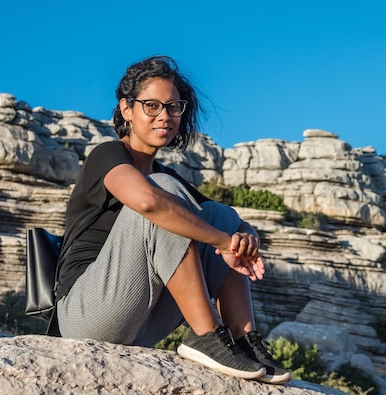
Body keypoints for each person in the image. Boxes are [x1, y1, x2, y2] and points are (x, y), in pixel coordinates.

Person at [54, 55, 292, 384]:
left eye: (173, 107)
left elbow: (229, 222)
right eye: (151, 106)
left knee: (220, 215)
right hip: (84, 316)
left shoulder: (167, 176)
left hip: (138, 317)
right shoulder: (107, 155)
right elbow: (148, 202)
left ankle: (242, 340)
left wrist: (245, 236)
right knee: (164, 196)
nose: (164, 116)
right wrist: (223, 242)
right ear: (127, 109)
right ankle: (206, 335)